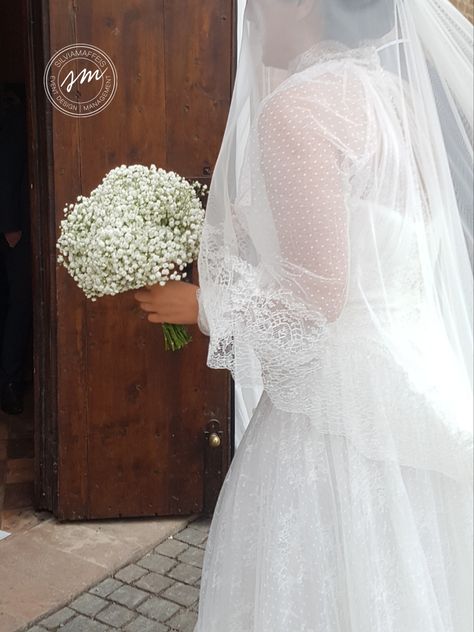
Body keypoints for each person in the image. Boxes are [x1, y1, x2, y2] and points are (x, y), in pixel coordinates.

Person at [134, 0, 473, 629]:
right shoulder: (399, 100)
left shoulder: (297, 109)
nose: (253, 13)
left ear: (303, 5)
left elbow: (317, 296)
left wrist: (203, 306)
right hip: (419, 388)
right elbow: (378, 250)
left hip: (334, 414)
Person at [0, 81, 32, 414]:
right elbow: (9, 171)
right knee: (19, 300)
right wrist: (11, 225)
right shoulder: (16, 116)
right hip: (16, 231)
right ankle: (9, 382)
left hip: (16, 227)